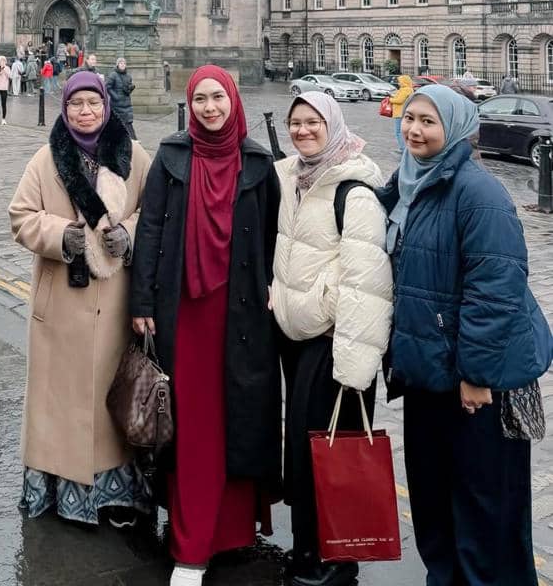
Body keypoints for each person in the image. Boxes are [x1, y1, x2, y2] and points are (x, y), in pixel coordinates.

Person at [378, 85, 553, 585]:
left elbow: (496, 289)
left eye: (428, 121)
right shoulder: (406, 184)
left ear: (455, 128)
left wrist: (476, 375)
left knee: (484, 510)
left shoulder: (479, 193)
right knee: (433, 501)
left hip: (476, 382)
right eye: (410, 118)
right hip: (427, 374)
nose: (415, 130)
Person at [130, 66, 282, 586]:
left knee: (235, 415)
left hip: (241, 313)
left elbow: (273, 237)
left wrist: (272, 289)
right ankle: (190, 547)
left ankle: (232, 532)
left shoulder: (258, 162)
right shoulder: (172, 157)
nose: (210, 107)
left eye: (218, 97)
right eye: (200, 99)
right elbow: (150, 230)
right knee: (193, 424)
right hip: (184, 310)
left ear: (233, 100)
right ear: (189, 104)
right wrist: (142, 300)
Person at [9, 71, 151, 526]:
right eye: (76, 104)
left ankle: (113, 494)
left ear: (106, 107)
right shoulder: (45, 159)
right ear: (64, 108)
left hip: (114, 302)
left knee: (111, 401)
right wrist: (60, 235)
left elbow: (153, 213)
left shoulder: (134, 156)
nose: (85, 111)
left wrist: (127, 233)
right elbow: (20, 216)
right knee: (59, 404)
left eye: (93, 103)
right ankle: (60, 493)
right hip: (61, 304)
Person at [272, 93, 393, 586]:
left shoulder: (355, 190)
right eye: (296, 122)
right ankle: (309, 549)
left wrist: (352, 369)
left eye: (313, 122)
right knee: (307, 453)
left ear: (334, 125)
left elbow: (366, 286)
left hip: (334, 343)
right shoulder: (292, 178)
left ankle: (338, 559)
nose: (303, 131)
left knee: (335, 455)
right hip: (298, 338)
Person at [106, 57, 136, 139]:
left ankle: (133, 141)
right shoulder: (113, 75)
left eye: (124, 63)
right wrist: (115, 97)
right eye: (121, 63)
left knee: (128, 124)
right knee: (117, 124)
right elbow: (108, 87)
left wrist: (130, 88)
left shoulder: (128, 76)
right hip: (116, 104)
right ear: (117, 65)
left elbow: (127, 90)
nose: (122, 65)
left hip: (127, 104)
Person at [388, 74, 414, 152]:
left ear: (404, 82)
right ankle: (405, 148)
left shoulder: (405, 90)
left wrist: (390, 100)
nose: (399, 83)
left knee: (399, 131)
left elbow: (399, 100)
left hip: (400, 113)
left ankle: (403, 148)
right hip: (404, 112)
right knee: (402, 131)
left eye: (400, 81)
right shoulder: (408, 89)